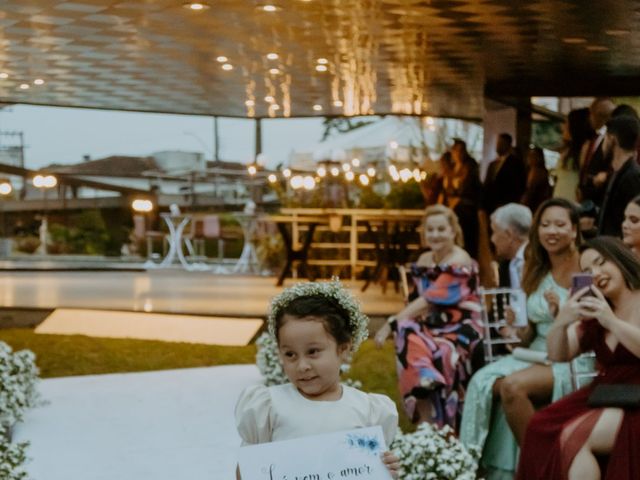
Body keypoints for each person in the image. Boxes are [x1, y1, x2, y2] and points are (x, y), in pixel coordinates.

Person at [460, 198, 582, 479]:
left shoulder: (584, 265)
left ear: (574, 230)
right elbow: (528, 334)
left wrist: (561, 313)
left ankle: (542, 467)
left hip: (570, 353)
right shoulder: (536, 269)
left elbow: (590, 321)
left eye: (560, 224)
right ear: (537, 230)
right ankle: (479, 465)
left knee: (512, 388)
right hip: (534, 353)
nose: (552, 231)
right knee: (483, 382)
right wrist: (516, 330)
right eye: (545, 224)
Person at [234, 281, 400, 479]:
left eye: (313, 352)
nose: (302, 365)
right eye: (290, 354)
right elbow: (247, 472)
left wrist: (386, 471)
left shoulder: (368, 410)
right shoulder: (269, 407)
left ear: (343, 350)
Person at [517, 236, 640, 480]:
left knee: (572, 437)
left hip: (636, 399)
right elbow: (558, 354)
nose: (597, 273)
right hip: (607, 394)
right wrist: (562, 322)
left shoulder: (616, 310)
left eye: (601, 262)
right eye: (587, 271)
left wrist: (612, 322)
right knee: (539, 426)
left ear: (619, 259)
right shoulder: (597, 309)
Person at [374, 204, 483, 430]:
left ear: (453, 231)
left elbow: (429, 299)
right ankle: (425, 415)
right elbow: (414, 301)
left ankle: (443, 425)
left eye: (441, 229)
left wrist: (389, 324)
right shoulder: (425, 259)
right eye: (430, 230)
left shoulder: (459, 260)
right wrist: (401, 323)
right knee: (407, 331)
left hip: (460, 325)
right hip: (432, 324)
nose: (435, 235)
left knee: (443, 352)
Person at [597, 115, 640, 237]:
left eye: (604, 137)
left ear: (612, 139)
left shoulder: (632, 177)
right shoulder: (618, 173)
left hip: (620, 252)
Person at [578, 97, 615, 207]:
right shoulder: (594, 139)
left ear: (596, 115)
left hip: (600, 198)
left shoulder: (610, 139)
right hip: (587, 197)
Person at [482, 133, 527, 216]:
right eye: (497, 143)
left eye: (501, 143)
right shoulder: (493, 164)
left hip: (505, 204)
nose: (497, 146)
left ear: (507, 145)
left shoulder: (515, 164)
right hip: (491, 204)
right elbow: (488, 184)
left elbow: (518, 185)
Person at [554, 108, 593, 201]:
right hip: (561, 198)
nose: (564, 127)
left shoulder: (585, 149)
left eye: (567, 123)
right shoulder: (568, 151)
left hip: (571, 200)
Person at [490, 203, 532, 289]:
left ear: (509, 234)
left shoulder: (538, 259)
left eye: (494, 232)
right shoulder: (506, 264)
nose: (492, 239)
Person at [521, 146, 552, 214]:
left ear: (539, 158)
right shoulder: (529, 171)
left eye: (533, 155)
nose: (529, 158)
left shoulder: (540, 172)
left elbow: (531, 191)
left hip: (535, 205)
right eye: (529, 155)